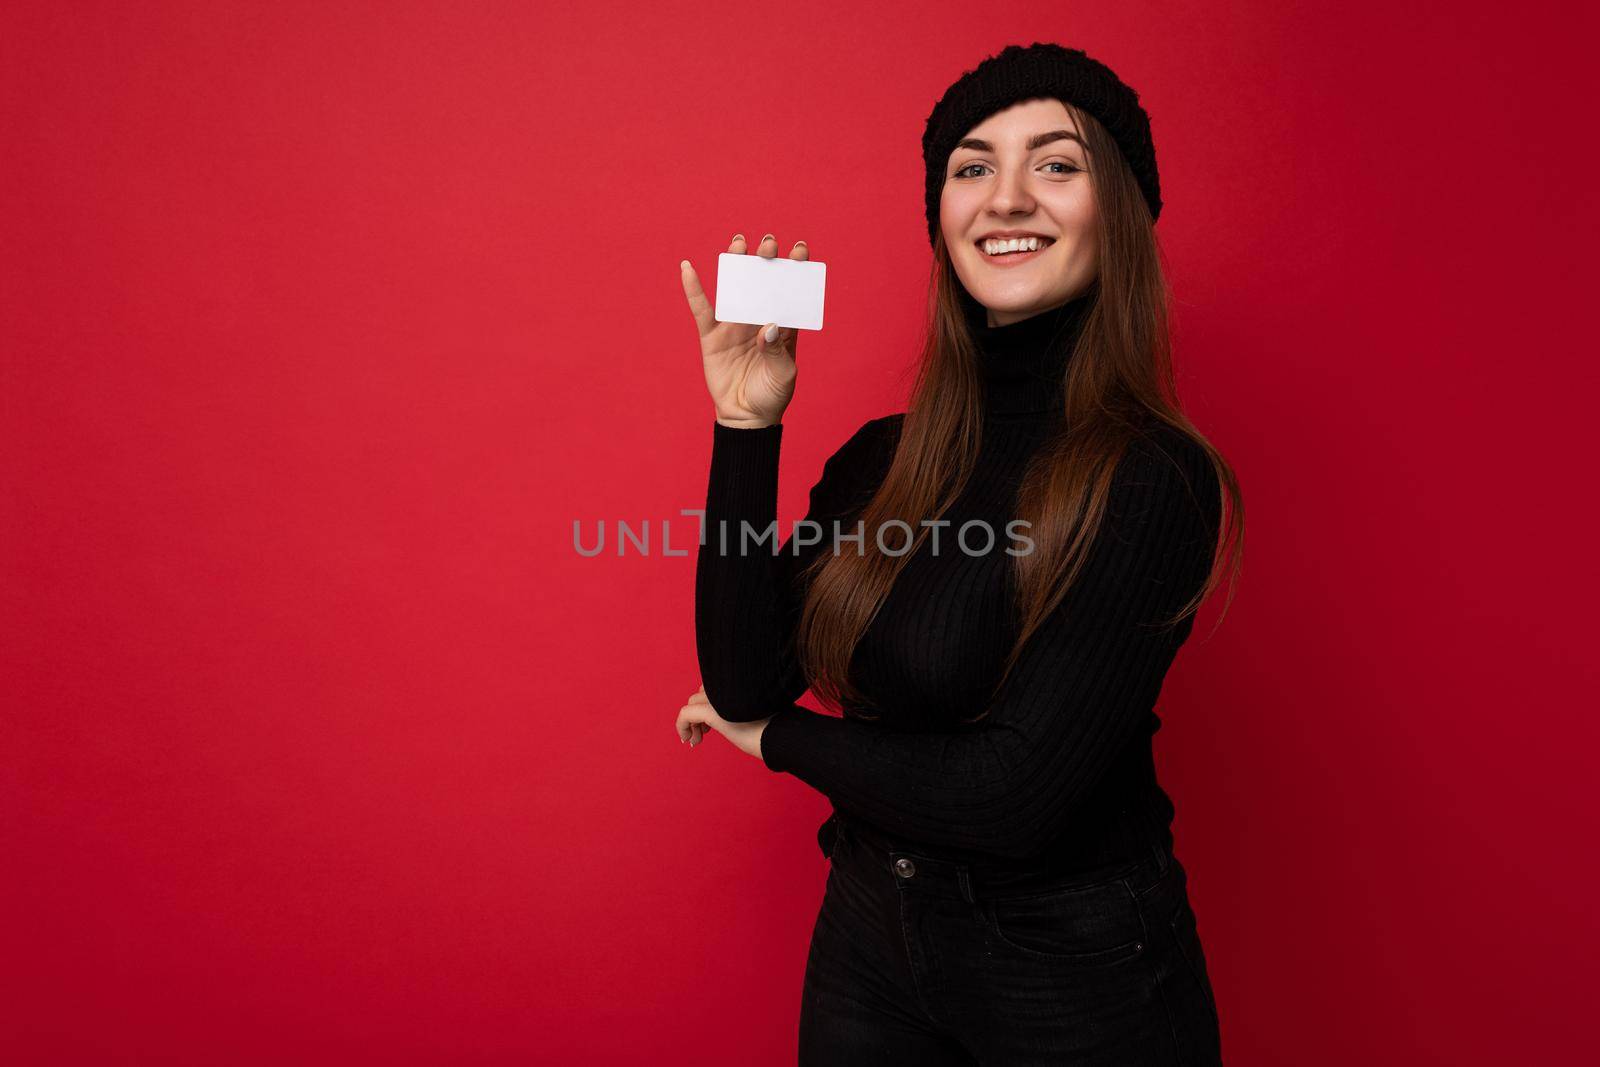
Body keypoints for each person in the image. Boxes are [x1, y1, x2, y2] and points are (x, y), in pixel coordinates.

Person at [674, 42, 1243, 1066]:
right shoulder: (881, 460)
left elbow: (1010, 794)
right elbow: (744, 673)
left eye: (1056, 164)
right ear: (940, 216)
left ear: (1117, 212)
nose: (1006, 198)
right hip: (868, 938)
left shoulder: (1150, 477)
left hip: (1072, 973)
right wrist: (743, 427)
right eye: (972, 166)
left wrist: (776, 742)